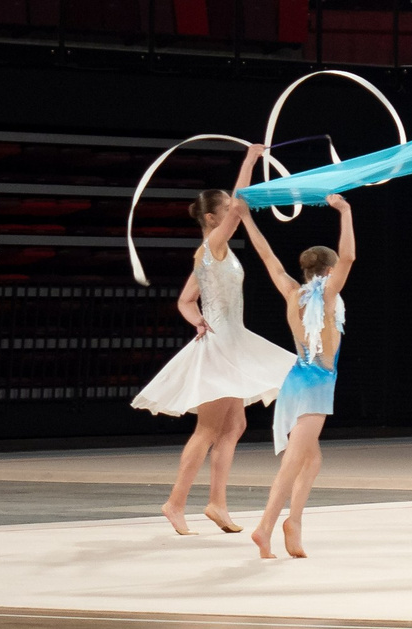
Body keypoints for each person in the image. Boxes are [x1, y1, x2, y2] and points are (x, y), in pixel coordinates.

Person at [131, 146, 298, 536]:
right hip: (224, 348)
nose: (233, 214)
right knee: (208, 429)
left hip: (229, 340)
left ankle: (217, 503)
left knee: (234, 425)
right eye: (225, 211)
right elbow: (242, 203)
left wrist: (198, 322)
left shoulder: (207, 256)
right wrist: (250, 159)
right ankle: (175, 502)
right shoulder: (212, 247)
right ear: (212, 218)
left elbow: (186, 299)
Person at [244, 190, 355, 561]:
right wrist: (345, 211)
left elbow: (268, 258)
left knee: (311, 459)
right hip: (315, 384)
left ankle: (294, 522)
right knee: (295, 461)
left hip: (297, 379)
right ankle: (266, 526)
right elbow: (351, 256)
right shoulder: (324, 296)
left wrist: (247, 218)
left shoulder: (294, 292)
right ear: (328, 271)